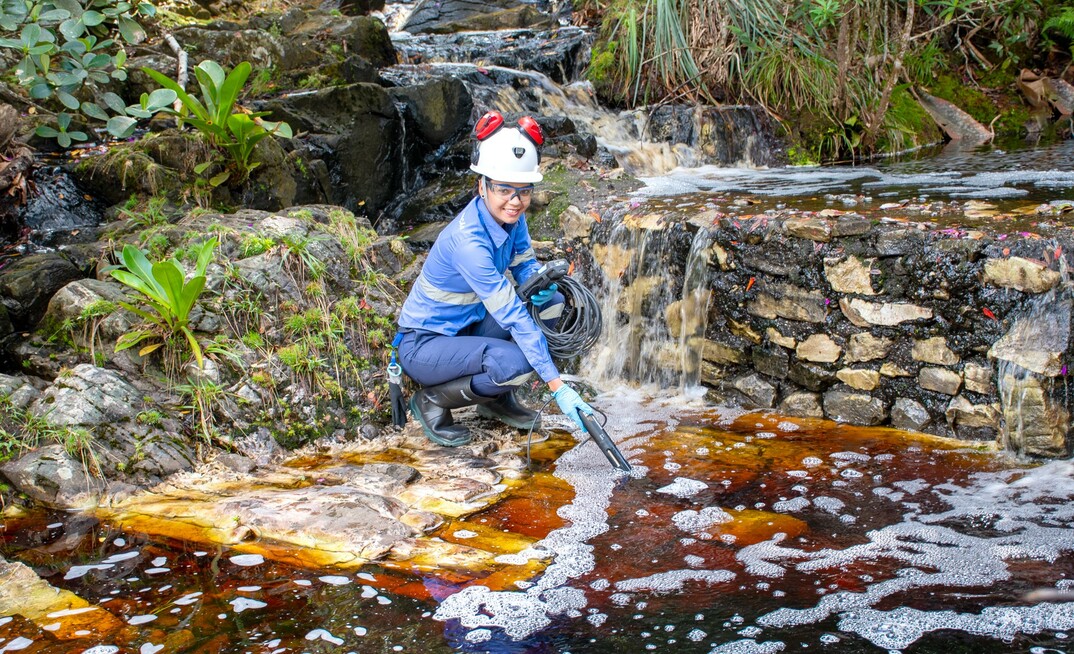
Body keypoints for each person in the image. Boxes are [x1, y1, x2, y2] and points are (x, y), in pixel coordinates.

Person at [394, 111, 595, 446]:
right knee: (516, 362)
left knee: (550, 304)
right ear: (482, 186)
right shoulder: (468, 243)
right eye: (504, 189)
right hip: (426, 345)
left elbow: (525, 270)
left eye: (523, 191)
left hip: (469, 327)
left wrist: (542, 288)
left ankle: (496, 399)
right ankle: (431, 402)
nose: (515, 202)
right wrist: (557, 386)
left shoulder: (512, 220)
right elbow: (513, 316)